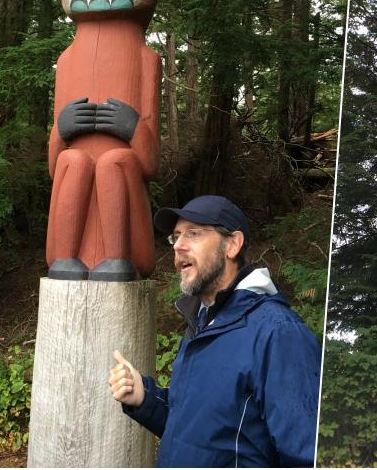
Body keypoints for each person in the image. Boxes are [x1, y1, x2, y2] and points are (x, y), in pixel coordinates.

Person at [108, 195, 321, 467]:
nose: (179, 246)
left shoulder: (278, 333)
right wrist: (144, 397)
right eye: (175, 237)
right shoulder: (201, 324)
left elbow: (306, 456)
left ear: (232, 244)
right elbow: (199, 436)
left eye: (193, 234)